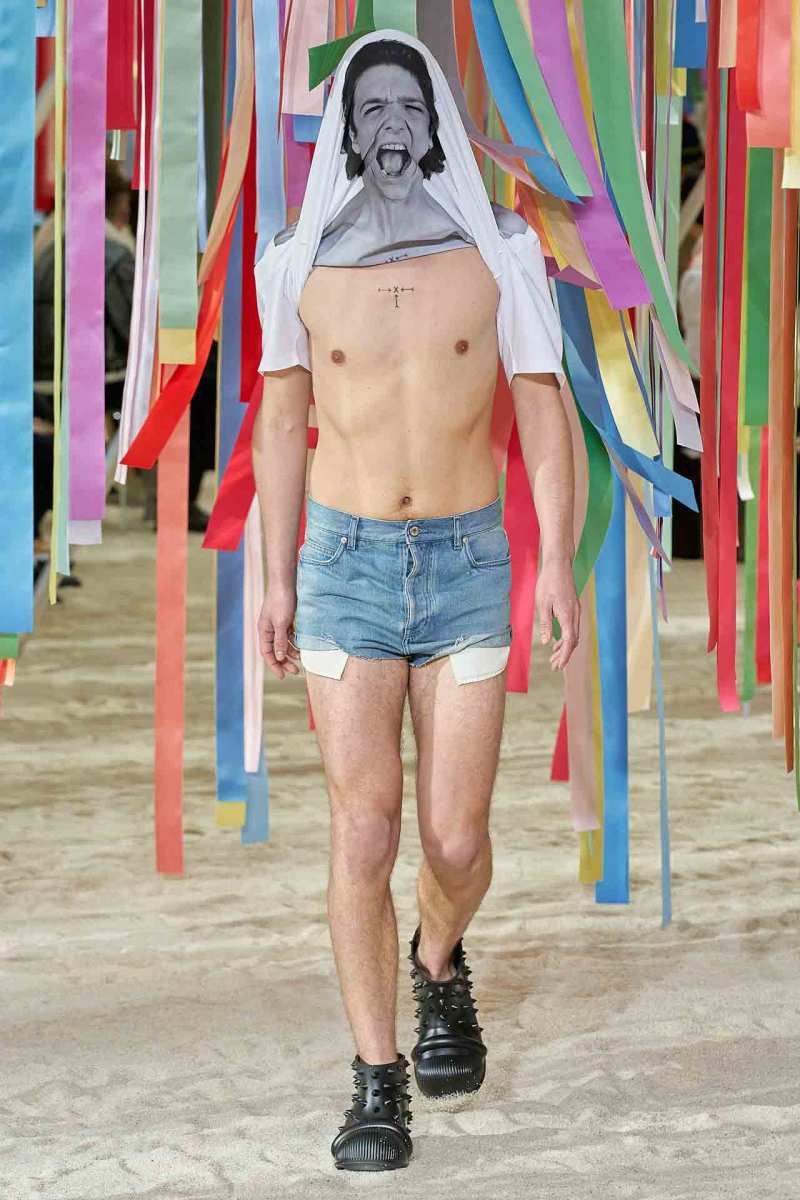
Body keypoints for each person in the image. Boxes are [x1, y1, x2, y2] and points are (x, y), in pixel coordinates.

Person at [251, 31, 579, 1172]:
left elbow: (541, 406)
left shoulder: (500, 254)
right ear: (348, 129)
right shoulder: (297, 260)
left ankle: (438, 960)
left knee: (453, 837)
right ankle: (375, 1083)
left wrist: (557, 564)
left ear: (432, 124)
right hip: (342, 567)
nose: (389, 125)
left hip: (466, 565)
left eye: (407, 107)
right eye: (370, 108)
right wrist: (275, 575)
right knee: (366, 827)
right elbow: (280, 418)